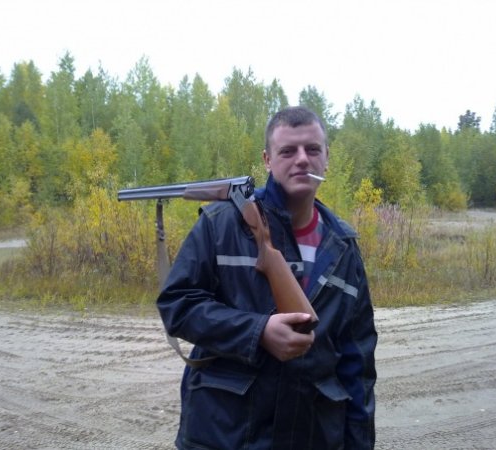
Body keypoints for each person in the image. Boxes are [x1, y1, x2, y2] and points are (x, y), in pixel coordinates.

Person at [157, 106, 377, 449]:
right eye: (287, 151)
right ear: (267, 160)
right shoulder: (220, 224)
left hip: (314, 436)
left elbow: (358, 361)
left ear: (327, 158)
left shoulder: (344, 246)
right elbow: (177, 305)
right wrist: (257, 331)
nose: (302, 159)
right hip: (225, 435)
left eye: (312, 149)